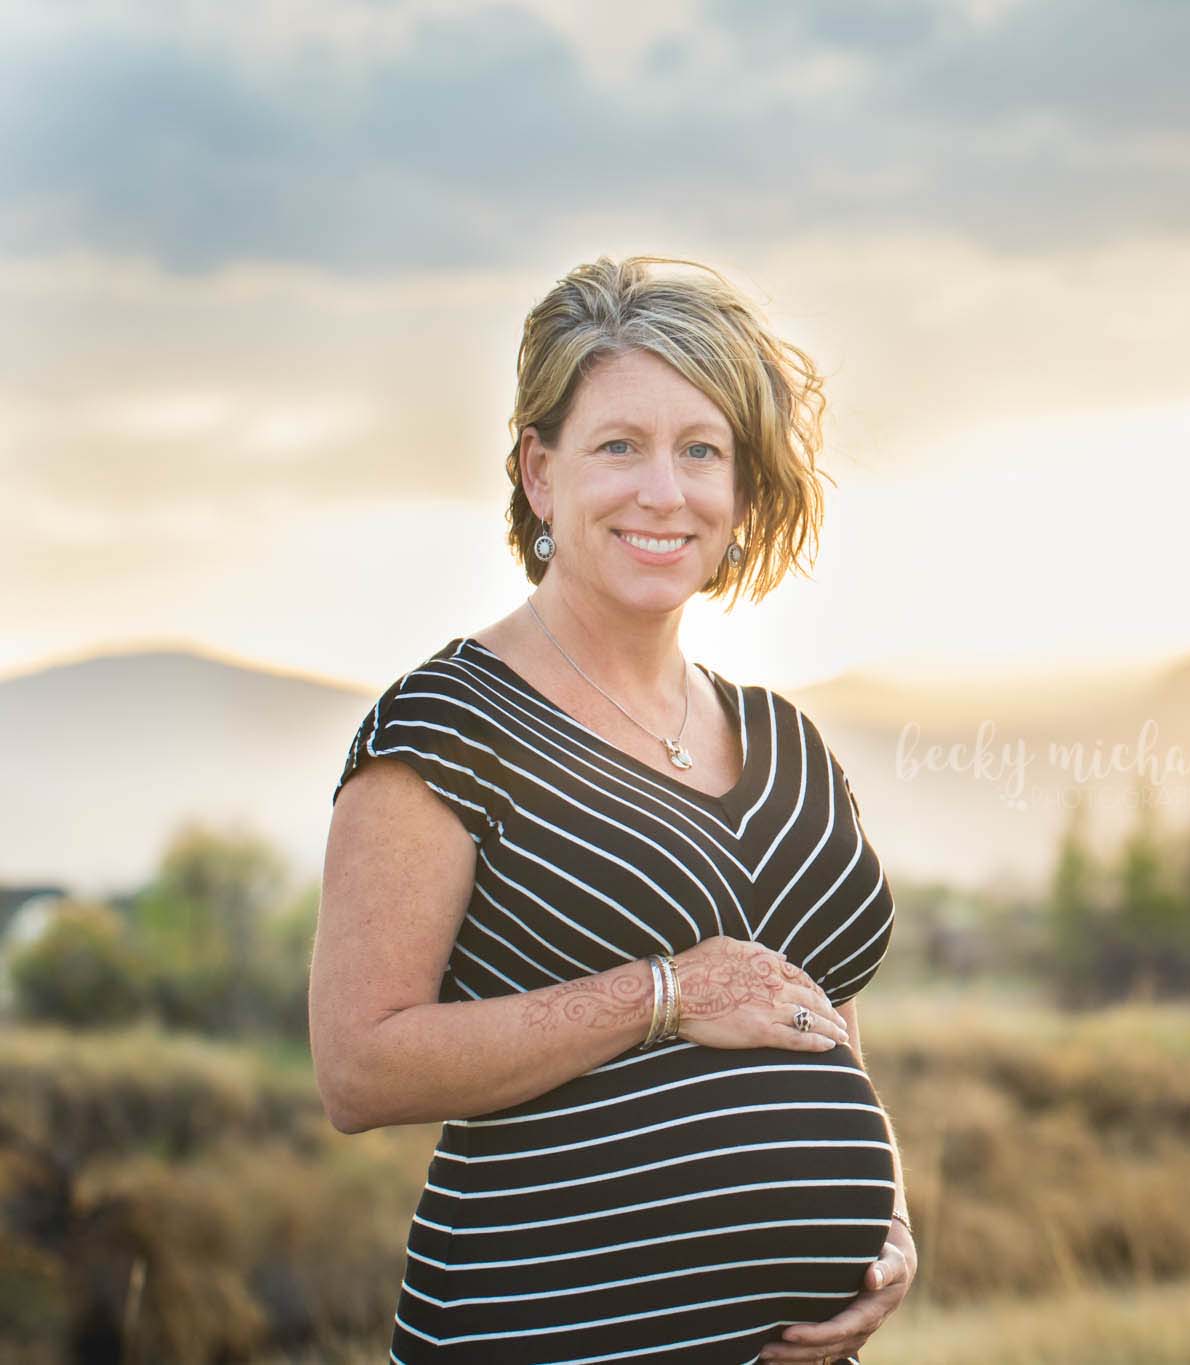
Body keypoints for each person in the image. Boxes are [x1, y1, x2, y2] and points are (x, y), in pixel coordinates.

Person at [312, 255, 915, 1365]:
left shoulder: (784, 738)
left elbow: (811, 1008)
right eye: (619, 447)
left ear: (742, 489)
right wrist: (665, 994)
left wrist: (884, 1223)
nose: (663, 491)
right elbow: (358, 1065)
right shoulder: (450, 725)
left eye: (701, 450)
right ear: (540, 474)